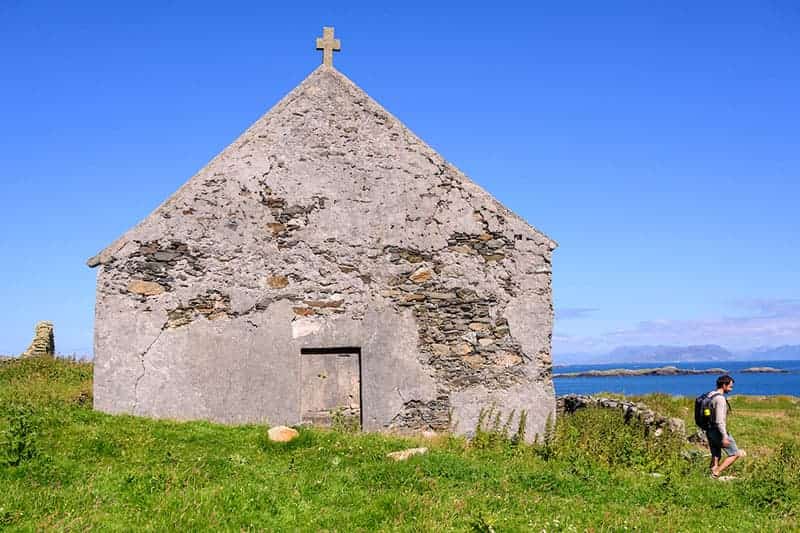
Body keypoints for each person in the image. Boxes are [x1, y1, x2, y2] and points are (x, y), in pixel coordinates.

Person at [707, 374, 746, 478]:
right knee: (735, 453)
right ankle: (716, 473)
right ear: (724, 385)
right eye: (730, 386)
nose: (731, 389)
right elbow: (719, 420)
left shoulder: (710, 395)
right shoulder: (720, 399)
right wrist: (724, 436)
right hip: (718, 431)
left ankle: (710, 474)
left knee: (716, 455)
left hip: (709, 429)